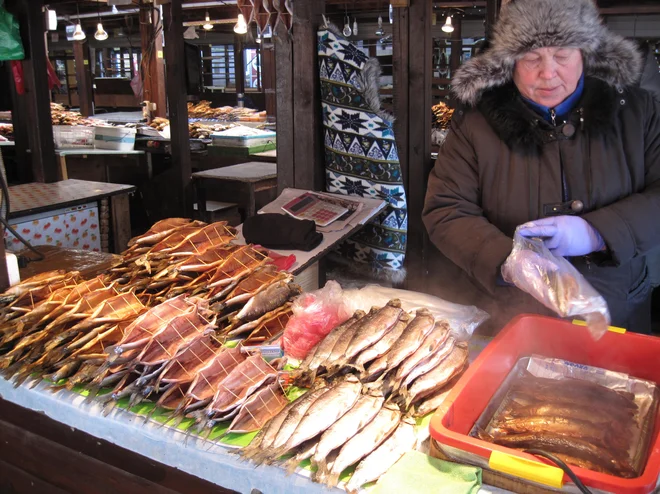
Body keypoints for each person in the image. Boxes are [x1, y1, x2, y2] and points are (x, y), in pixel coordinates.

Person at [423, 0, 660, 334]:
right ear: (508, 61)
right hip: (512, 316)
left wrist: (596, 233)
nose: (548, 73)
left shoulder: (638, 113)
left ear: (585, 53)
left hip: (616, 312)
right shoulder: (476, 124)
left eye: (562, 54)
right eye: (531, 57)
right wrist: (507, 260)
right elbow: (445, 210)